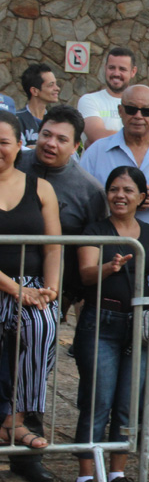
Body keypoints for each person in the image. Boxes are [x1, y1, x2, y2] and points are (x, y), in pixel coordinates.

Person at [80, 84, 149, 453]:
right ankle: (95, 444)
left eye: (147, 111)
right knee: (100, 361)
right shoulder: (98, 151)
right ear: (121, 111)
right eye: (131, 109)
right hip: (105, 279)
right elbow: (85, 205)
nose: (139, 117)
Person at [12, 105, 105, 482]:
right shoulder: (10, 161)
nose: (51, 143)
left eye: (61, 139)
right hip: (3, 281)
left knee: (33, 371)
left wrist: (69, 298)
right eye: (47, 134)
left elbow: (90, 249)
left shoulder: (88, 190)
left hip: (49, 294)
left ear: (77, 145)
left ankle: (25, 452)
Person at [74, 166, 149, 482]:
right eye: (114, 189)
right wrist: (108, 268)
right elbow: (85, 274)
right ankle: (86, 475)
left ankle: (116, 474)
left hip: (137, 328)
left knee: (128, 404)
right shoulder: (95, 229)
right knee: (97, 401)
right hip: (101, 323)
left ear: (142, 197)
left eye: (128, 190)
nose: (120, 196)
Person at [0, 110, 60, 451]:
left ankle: (16, 420)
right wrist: (16, 290)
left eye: (3, 142)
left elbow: (54, 248)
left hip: (31, 285)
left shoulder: (41, 188)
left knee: (44, 327)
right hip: (9, 286)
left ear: (19, 145)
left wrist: (49, 291)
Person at [77, 47, 149, 146]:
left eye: (122, 69)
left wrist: (107, 139)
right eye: (112, 68)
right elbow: (98, 136)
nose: (116, 73)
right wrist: (140, 139)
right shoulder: (89, 100)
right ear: (105, 68)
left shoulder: (145, 103)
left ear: (133, 71)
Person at [16, 64, 61, 147]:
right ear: (34, 91)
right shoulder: (17, 119)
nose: (57, 88)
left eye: (56, 84)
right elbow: (17, 151)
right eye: (51, 85)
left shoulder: (55, 120)